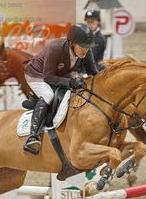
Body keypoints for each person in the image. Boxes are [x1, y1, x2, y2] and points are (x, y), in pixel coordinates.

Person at [23, 23, 99, 155]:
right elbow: (49, 77)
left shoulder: (86, 52)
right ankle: (33, 136)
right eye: (82, 47)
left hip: (59, 74)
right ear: (71, 43)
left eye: (87, 48)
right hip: (37, 74)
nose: (85, 51)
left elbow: (94, 73)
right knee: (48, 95)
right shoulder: (55, 48)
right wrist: (71, 82)